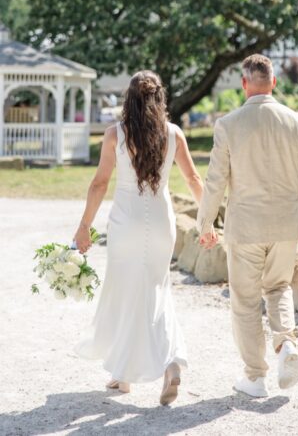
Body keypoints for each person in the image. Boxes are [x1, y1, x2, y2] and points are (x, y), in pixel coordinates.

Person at [74, 70, 204, 405]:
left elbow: (99, 184)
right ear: (160, 98)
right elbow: (193, 179)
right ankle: (157, 367)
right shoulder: (174, 133)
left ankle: (131, 372)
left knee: (126, 292)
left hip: (126, 224)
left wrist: (84, 225)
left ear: (129, 100)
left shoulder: (115, 134)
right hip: (161, 223)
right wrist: (208, 223)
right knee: (157, 289)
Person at [196, 53, 298, 398]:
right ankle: (286, 342)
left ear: (244, 83)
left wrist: (206, 223)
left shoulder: (228, 124)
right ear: (274, 82)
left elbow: (215, 180)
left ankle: (255, 376)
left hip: (246, 226)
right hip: (286, 224)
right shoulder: (297, 122)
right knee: (279, 287)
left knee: (246, 301)